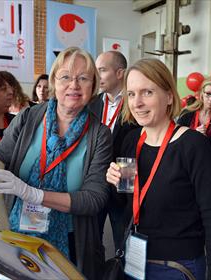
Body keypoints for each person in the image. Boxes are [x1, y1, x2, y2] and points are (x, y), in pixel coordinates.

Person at [0, 47, 112, 280]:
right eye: (65, 76)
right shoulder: (28, 118)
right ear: (54, 81)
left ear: (93, 86)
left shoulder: (100, 134)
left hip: (70, 242)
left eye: (83, 78)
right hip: (16, 235)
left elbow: (94, 198)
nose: (74, 85)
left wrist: (34, 194)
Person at [106, 58, 211, 280]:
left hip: (175, 266)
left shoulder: (194, 145)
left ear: (169, 96)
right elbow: (125, 202)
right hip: (133, 261)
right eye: (132, 94)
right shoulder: (131, 140)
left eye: (148, 92)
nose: (137, 103)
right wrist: (114, 182)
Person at [89, 50, 137, 252]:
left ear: (120, 73)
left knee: (122, 240)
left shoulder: (135, 103)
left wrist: (126, 188)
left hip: (124, 175)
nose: (97, 76)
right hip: (94, 180)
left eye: (102, 70)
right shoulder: (93, 103)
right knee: (91, 241)